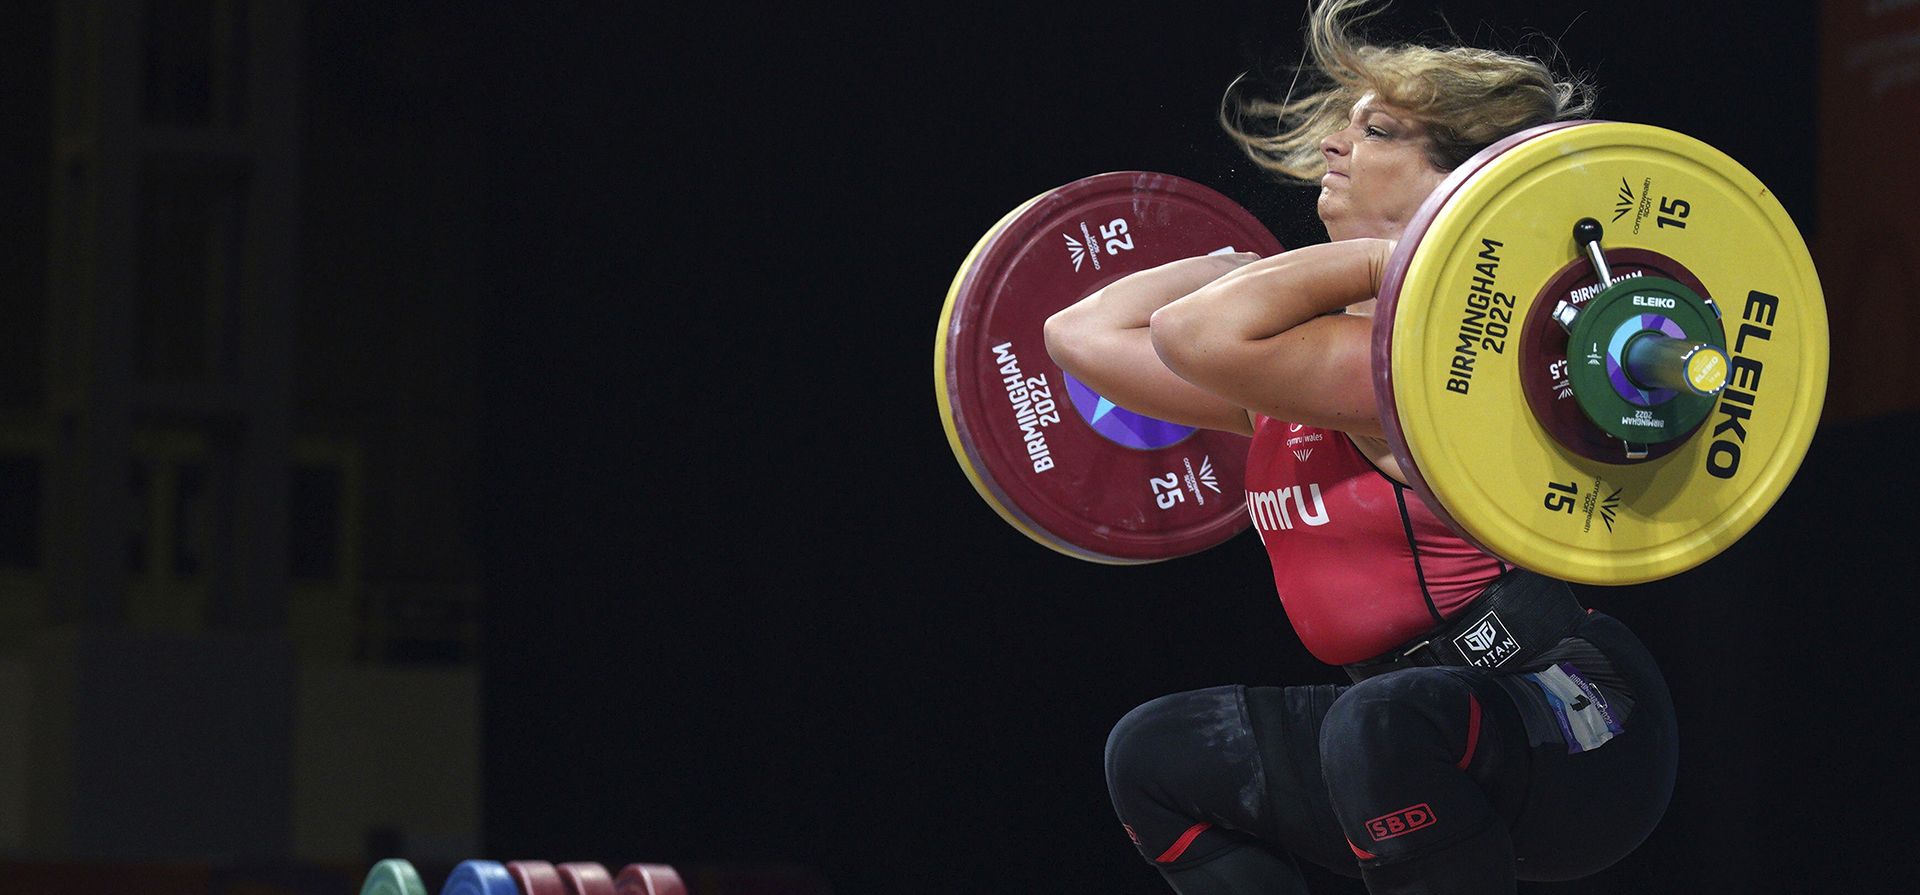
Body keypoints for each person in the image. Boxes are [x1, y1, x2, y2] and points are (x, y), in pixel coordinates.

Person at [1041, 2, 1678, 893]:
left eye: (1377, 130)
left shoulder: (1434, 360)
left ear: (1457, 184)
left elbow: (1193, 333)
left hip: (1570, 722)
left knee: (1376, 725)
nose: (1336, 145)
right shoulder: (1306, 364)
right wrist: (1250, 267)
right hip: (1413, 731)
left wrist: (1411, 256)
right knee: (1155, 755)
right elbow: (1079, 333)